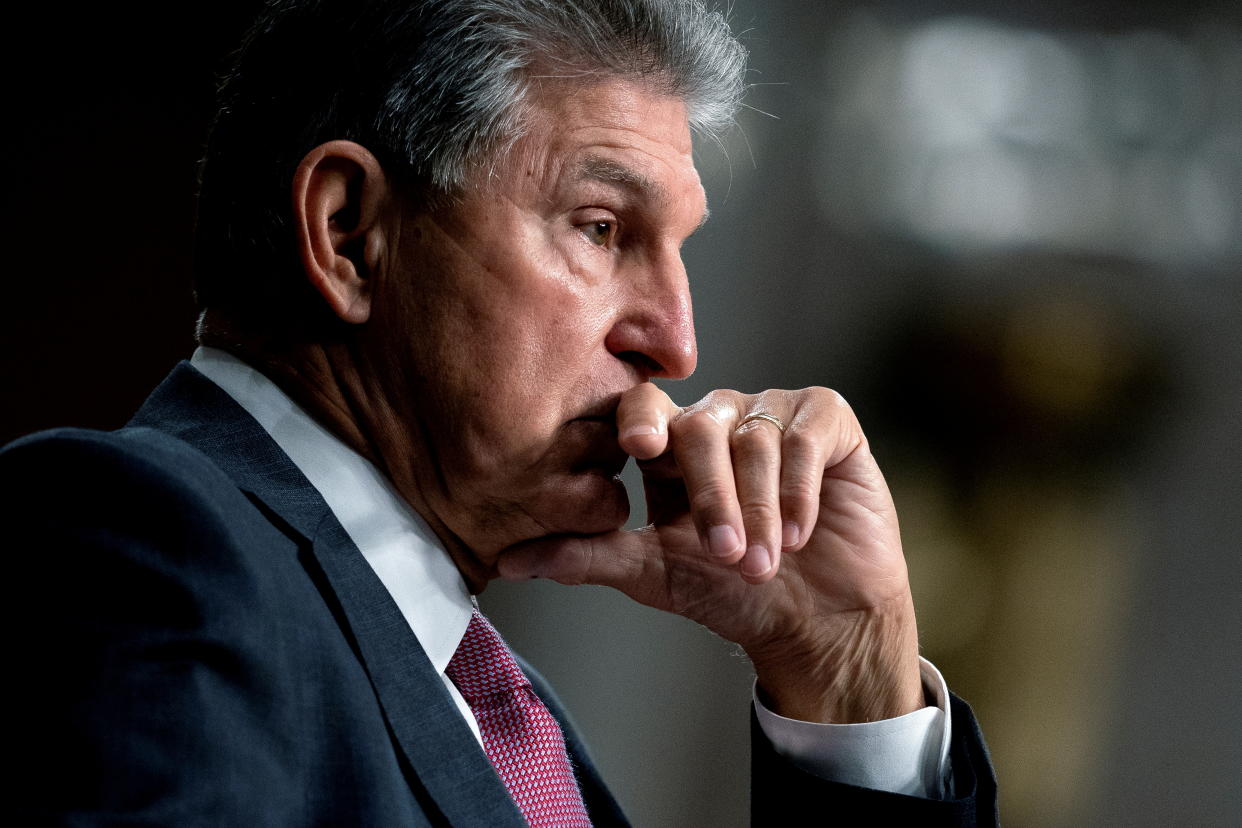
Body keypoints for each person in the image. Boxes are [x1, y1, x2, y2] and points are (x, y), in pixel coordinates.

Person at [4, 0, 997, 824]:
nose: (675, 342)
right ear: (350, 233)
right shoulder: (145, 545)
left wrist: (848, 678)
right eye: (603, 229)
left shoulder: (491, 705)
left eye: (679, 249)